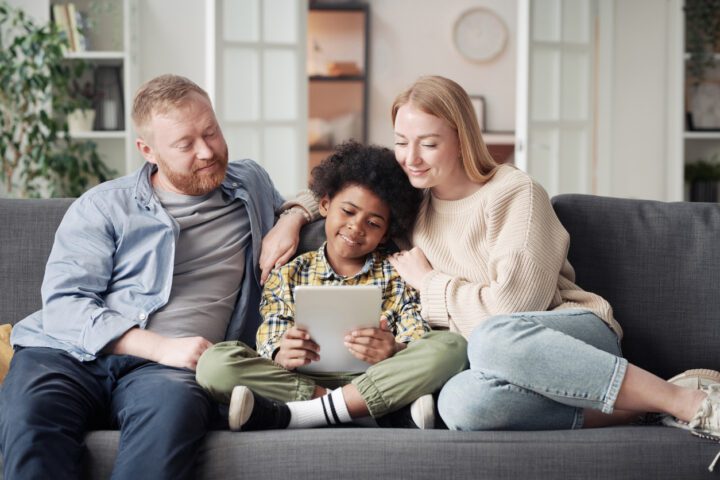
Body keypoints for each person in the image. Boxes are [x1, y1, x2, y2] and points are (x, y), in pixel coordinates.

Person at [262, 76, 720, 447]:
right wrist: (293, 216)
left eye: (428, 144)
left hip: (568, 336)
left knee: (489, 337)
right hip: (489, 367)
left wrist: (431, 283)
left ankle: (686, 401)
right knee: (460, 404)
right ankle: (643, 408)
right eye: (402, 142)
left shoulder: (514, 193)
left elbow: (513, 309)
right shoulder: (411, 204)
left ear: (462, 140)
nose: (410, 158)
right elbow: (345, 185)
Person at [0, 74, 317, 479]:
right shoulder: (102, 207)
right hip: (67, 356)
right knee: (32, 419)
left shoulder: (249, 182)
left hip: (167, 375)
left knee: (169, 421)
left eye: (212, 132)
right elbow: (65, 306)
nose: (207, 152)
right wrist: (160, 346)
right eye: (185, 145)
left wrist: (293, 217)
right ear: (147, 150)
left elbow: (325, 196)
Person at [196, 141, 468, 431]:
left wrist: (395, 349)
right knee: (214, 363)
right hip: (302, 381)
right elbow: (271, 332)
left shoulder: (397, 272)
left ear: (387, 231)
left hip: (379, 377)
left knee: (451, 346)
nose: (356, 227)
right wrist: (280, 353)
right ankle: (359, 410)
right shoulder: (288, 273)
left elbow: (415, 333)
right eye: (348, 212)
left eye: (373, 223)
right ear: (324, 205)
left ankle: (302, 414)